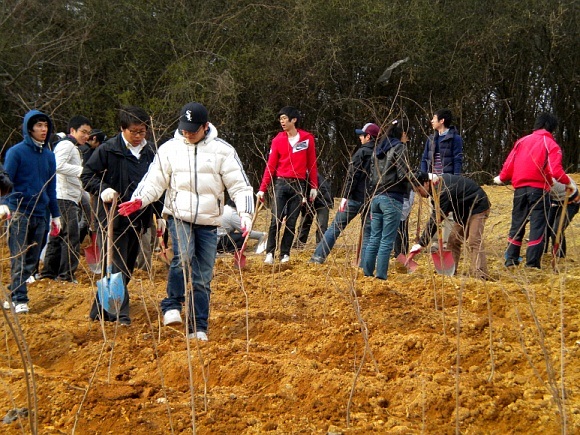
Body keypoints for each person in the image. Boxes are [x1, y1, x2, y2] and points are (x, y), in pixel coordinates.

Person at [118, 102, 254, 341]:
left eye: (193, 130)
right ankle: (172, 304)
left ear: (205, 126)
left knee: (203, 277)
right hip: (179, 215)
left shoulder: (223, 151)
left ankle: (198, 327)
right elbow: (154, 180)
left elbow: (239, 186)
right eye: (184, 129)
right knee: (183, 256)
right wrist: (139, 199)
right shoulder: (170, 149)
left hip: (209, 221)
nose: (188, 134)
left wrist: (245, 213)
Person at [81, 106, 162, 325]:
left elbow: (157, 185)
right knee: (116, 267)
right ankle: (120, 315)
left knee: (127, 268)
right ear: (122, 129)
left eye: (142, 131)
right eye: (134, 131)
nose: (138, 136)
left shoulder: (150, 153)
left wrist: (159, 214)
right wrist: (103, 189)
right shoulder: (108, 150)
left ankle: (99, 310)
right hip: (112, 218)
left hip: (139, 218)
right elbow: (86, 176)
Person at [494, 112, 574, 269]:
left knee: (517, 224)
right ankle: (532, 264)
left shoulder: (521, 141)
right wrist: (567, 183)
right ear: (552, 128)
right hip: (539, 191)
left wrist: (502, 178)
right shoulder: (551, 144)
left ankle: (511, 260)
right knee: (538, 226)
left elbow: (509, 164)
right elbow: (555, 171)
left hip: (519, 190)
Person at [2, 110, 61, 314]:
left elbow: (51, 187)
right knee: (18, 257)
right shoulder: (16, 152)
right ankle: (20, 299)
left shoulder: (49, 156)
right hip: (19, 212)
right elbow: (5, 180)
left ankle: (12, 293)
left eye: (46, 125)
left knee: (33, 259)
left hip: (41, 213)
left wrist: (56, 215)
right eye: (38, 126)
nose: (43, 130)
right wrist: (4, 203)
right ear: (29, 128)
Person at [309, 122, 378, 264]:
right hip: (372, 199)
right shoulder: (381, 154)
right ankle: (365, 265)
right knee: (368, 233)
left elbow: (352, 176)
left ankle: (318, 257)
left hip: (355, 198)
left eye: (362, 135)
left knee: (335, 228)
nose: (360, 138)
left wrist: (345, 197)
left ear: (368, 137)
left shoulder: (361, 153)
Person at [257, 106, 318, 265]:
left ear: (294, 120)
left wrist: (313, 186)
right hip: (281, 183)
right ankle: (270, 252)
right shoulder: (277, 140)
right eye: (280, 119)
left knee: (291, 222)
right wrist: (262, 189)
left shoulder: (307, 139)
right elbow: (270, 166)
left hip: (298, 185)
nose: (282, 121)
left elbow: (312, 164)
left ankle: (285, 253)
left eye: (285, 118)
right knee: (275, 220)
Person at [38, 115, 92, 283]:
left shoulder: (72, 147)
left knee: (58, 236)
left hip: (65, 196)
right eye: (83, 132)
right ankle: (66, 275)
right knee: (71, 237)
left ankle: (48, 273)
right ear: (72, 130)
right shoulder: (67, 145)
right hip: (64, 197)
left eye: (88, 133)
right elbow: (57, 165)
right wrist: (82, 171)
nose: (86, 136)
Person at [408, 171, 491, 280]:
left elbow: (436, 219)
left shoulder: (442, 191)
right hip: (463, 212)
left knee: (474, 240)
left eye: (419, 190)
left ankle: (480, 275)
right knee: (453, 239)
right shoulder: (435, 188)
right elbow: (439, 215)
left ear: (426, 183)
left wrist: (421, 243)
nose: (420, 195)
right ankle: (450, 272)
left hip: (477, 206)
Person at [362, 120, 410, 280]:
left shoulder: (377, 150)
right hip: (392, 198)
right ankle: (381, 275)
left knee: (374, 237)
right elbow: (403, 174)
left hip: (376, 197)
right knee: (387, 240)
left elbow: (371, 175)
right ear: (401, 134)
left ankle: (367, 273)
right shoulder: (399, 148)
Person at [294, 173, 333, 248]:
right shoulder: (299, 180)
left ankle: (321, 246)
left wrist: (306, 199)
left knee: (322, 224)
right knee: (305, 222)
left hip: (323, 201)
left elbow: (323, 191)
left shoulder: (314, 177)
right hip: (309, 200)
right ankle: (299, 244)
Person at [420, 108, 463, 175]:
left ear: (442, 120)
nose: (432, 121)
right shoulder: (431, 139)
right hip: (431, 178)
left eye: (434, 118)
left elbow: (457, 160)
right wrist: (424, 176)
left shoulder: (455, 138)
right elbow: (424, 159)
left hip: (447, 179)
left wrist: (456, 178)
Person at [545, 179, 580, 258]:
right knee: (545, 228)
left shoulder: (553, 179)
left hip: (571, 201)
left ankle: (559, 256)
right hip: (555, 201)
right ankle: (543, 253)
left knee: (557, 230)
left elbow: (575, 194)